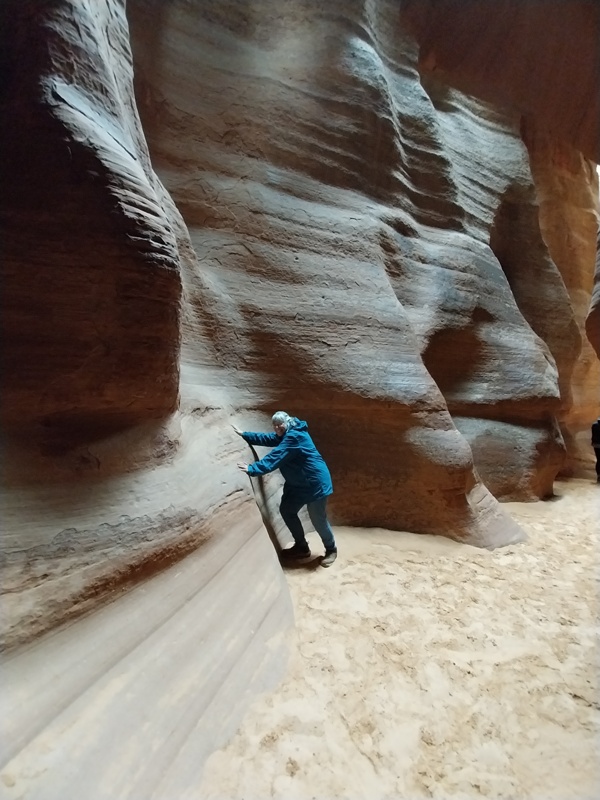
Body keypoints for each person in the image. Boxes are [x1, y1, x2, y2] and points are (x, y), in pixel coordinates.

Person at [233, 411, 338, 566]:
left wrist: (252, 468)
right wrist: (246, 435)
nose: (277, 428)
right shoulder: (286, 433)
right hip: (299, 484)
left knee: (317, 519)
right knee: (287, 510)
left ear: (287, 422)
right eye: (274, 425)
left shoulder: (295, 437)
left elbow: (276, 456)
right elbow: (270, 438)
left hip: (315, 484)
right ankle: (302, 547)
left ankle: (331, 549)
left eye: (280, 424)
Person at [592, 417, 600, 483]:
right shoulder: (595, 425)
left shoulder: (594, 425)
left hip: (596, 444)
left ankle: (599, 475)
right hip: (597, 444)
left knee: (599, 459)